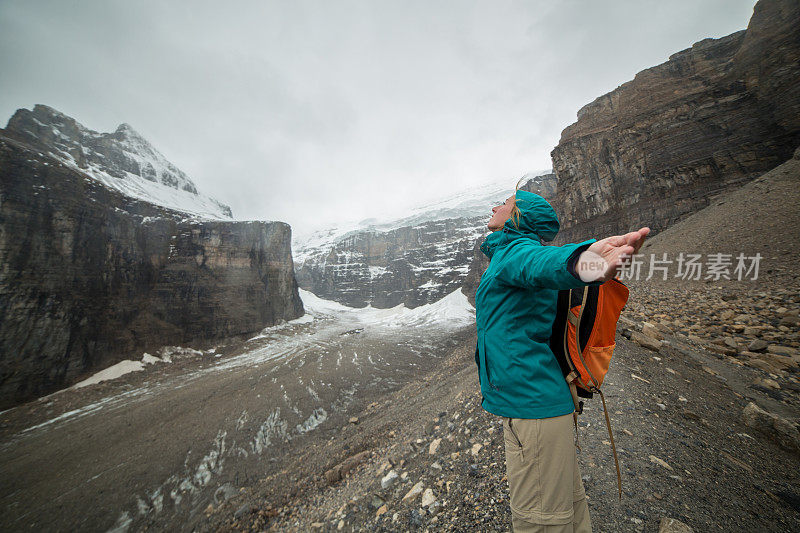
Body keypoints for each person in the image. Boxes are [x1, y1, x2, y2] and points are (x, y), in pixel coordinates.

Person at [474, 184, 649, 532]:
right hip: (541, 403)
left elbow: (545, 263)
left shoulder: (514, 252)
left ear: (519, 217)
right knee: (566, 509)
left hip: (532, 407)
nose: (497, 205)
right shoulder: (510, 253)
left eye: (506, 203)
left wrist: (588, 259)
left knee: (538, 521)